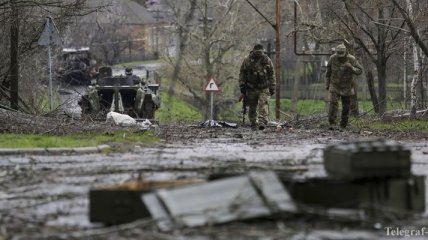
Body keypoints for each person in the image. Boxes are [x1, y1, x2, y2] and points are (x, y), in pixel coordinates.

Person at [326, 44, 363, 129]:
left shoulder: (351, 59)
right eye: (338, 53)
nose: (340, 56)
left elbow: (360, 71)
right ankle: (332, 124)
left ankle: (343, 125)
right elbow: (328, 72)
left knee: (346, 106)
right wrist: (327, 84)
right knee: (333, 104)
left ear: (345, 52)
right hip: (334, 85)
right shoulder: (332, 58)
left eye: (341, 53)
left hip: (347, 86)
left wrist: (351, 68)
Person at [239, 44, 275, 130]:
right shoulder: (247, 60)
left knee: (263, 104)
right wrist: (242, 85)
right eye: (257, 52)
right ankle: (253, 123)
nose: (258, 54)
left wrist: (272, 87)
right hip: (251, 87)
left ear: (263, 52)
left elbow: (272, 74)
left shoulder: (267, 60)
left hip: (264, 87)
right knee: (252, 106)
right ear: (253, 51)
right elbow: (242, 73)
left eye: (260, 52)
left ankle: (262, 122)